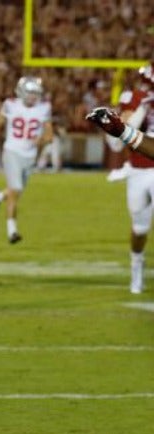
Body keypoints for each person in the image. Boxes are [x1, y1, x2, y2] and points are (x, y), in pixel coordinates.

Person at [86, 63, 154, 293]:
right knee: (140, 229)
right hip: (138, 170)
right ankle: (137, 267)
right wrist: (139, 114)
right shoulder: (135, 99)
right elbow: (116, 142)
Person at [0, 76, 54, 244]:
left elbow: (50, 135)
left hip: (30, 156)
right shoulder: (10, 105)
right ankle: (12, 231)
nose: (33, 97)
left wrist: (41, 140)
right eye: (30, 93)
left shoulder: (44, 108)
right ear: (21, 92)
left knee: (15, 190)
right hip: (12, 152)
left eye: (36, 93)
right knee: (15, 191)